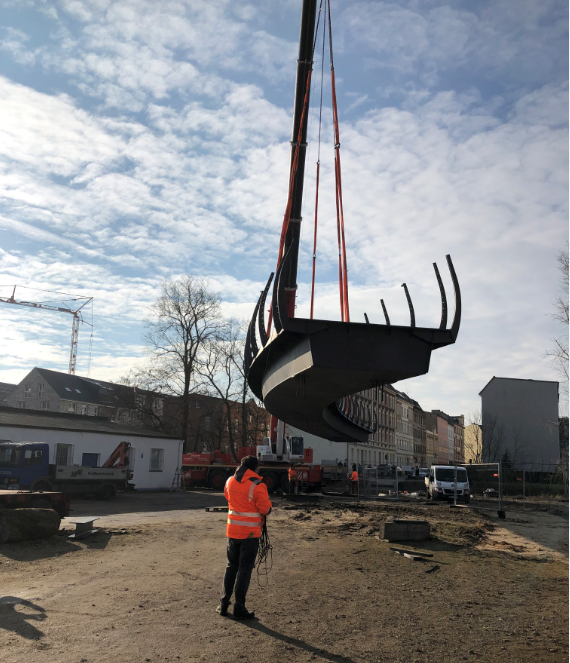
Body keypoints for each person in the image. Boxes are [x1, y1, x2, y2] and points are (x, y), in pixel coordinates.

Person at [218, 455, 272, 620]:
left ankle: (223, 604)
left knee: (231, 567)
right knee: (244, 570)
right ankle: (239, 607)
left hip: (232, 532)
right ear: (255, 469)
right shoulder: (258, 485)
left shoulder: (229, 481)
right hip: (250, 535)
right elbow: (265, 509)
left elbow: (229, 498)